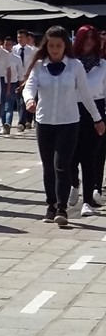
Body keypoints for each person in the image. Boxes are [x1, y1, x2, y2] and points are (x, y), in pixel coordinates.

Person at [23, 25, 105, 226]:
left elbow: (85, 94)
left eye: (59, 45)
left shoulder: (75, 66)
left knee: (62, 165)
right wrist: (29, 100)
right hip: (44, 122)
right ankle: (50, 205)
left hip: (68, 122)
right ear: (46, 46)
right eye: (51, 45)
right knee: (48, 167)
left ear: (65, 46)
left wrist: (97, 119)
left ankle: (61, 207)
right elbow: (29, 87)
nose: (55, 49)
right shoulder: (39, 66)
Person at [68, 25, 106, 217]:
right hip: (72, 111)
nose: (89, 41)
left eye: (93, 38)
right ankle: (74, 183)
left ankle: (88, 200)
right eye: (86, 37)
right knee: (70, 157)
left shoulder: (103, 65)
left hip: (96, 112)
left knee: (90, 157)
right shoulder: (71, 64)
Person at [13, 29, 38, 131]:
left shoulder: (33, 51)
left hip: (28, 77)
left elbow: (34, 64)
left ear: (27, 38)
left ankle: (23, 122)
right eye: (18, 37)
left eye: (22, 37)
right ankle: (23, 120)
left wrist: (28, 77)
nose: (19, 39)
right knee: (19, 101)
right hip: (16, 77)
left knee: (25, 100)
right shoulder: (14, 49)